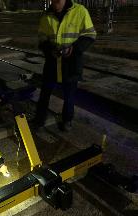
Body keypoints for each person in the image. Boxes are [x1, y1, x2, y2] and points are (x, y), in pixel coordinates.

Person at [33, 0, 96, 131]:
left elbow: (90, 34)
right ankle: (39, 120)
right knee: (45, 93)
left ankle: (67, 120)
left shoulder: (80, 11)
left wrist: (73, 49)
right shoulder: (46, 15)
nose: (55, 2)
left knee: (69, 96)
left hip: (71, 64)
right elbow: (42, 37)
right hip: (52, 63)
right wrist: (50, 49)